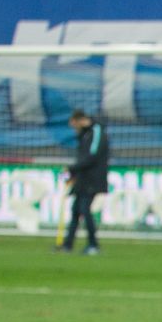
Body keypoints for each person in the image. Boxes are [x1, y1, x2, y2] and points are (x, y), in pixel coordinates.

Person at [58, 108, 109, 255]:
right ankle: (68, 245)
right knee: (75, 211)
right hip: (82, 178)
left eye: (75, 125)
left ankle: (93, 245)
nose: (74, 129)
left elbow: (92, 157)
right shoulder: (84, 134)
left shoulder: (96, 131)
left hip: (92, 179)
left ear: (80, 120)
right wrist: (74, 173)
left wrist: (72, 168)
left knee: (85, 210)